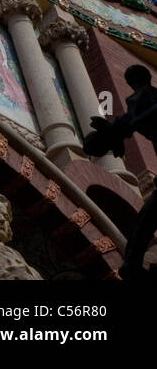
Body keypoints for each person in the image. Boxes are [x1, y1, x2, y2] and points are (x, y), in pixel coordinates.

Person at [82, 65, 157, 278]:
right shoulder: (140, 100)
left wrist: (123, 127)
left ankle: (132, 264)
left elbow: (130, 121)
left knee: (147, 219)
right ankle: (132, 264)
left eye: (132, 79)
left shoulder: (141, 98)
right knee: (146, 219)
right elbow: (127, 123)